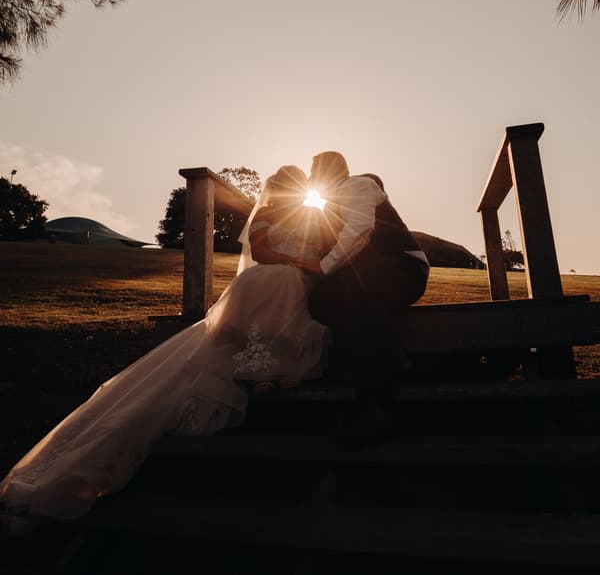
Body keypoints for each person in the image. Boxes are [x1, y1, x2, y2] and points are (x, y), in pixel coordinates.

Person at [0, 166, 329, 521]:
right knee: (273, 280)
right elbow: (262, 252)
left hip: (297, 278)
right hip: (273, 273)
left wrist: (308, 265)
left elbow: (324, 248)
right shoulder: (266, 214)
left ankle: (274, 364)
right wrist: (295, 260)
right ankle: (257, 365)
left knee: (287, 283)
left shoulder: (312, 216)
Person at [301, 151, 430, 446]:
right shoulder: (330, 206)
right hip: (373, 273)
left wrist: (323, 267)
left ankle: (378, 407)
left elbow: (360, 231)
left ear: (329, 172)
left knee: (355, 301)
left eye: (313, 172)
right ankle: (387, 362)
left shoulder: (357, 185)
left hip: (404, 266)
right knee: (320, 301)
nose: (309, 179)